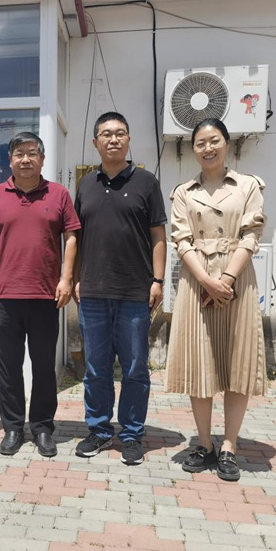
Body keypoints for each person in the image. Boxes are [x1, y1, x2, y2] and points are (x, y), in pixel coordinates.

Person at [165, 117, 267, 482]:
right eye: (200, 143)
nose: (208, 148)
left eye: (214, 141)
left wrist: (226, 279)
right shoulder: (183, 192)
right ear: (193, 149)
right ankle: (204, 443)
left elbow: (251, 234)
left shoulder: (248, 185)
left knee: (237, 362)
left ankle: (230, 446)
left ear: (226, 143)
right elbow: (181, 240)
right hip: (197, 281)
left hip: (237, 279)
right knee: (200, 363)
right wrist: (208, 282)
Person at [0, 132, 80, 457]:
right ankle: (12, 428)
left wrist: (66, 279)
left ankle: (42, 427)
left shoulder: (58, 193)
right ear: (10, 160)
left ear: (42, 159)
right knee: (8, 368)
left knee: (44, 367)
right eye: (19, 153)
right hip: (6, 298)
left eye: (32, 153)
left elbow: (71, 237)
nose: (25, 159)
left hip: (45, 298)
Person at [74, 111, 167, 466]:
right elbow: (76, 237)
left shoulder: (146, 182)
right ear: (95, 142)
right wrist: (76, 277)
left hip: (134, 293)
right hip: (93, 293)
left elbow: (158, 235)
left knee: (134, 369)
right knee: (96, 369)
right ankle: (99, 430)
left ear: (128, 139)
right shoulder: (86, 184)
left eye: (120, 133)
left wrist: (158, 280)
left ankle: (131, 435)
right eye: (106, 134)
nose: (113, 139)